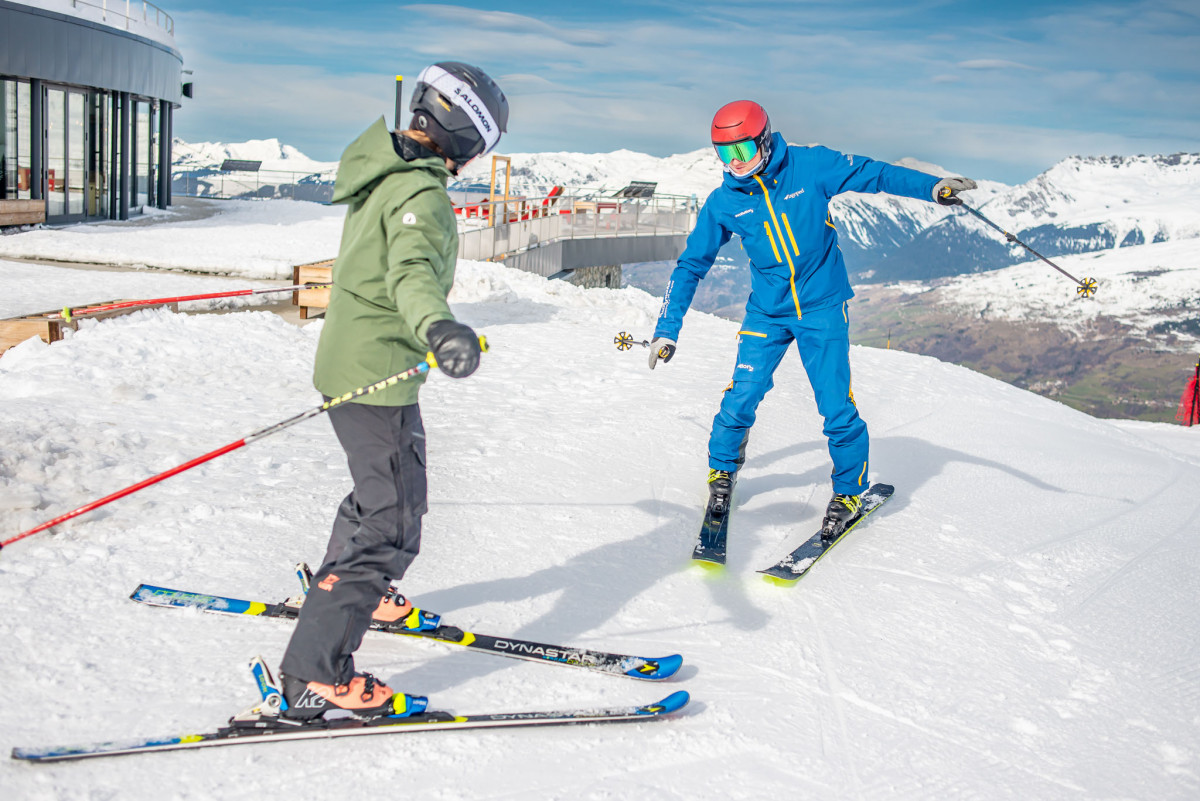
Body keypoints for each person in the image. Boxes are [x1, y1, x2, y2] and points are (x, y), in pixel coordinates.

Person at [278, 62, 509, 720]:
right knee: (392, 521)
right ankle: (315, 671)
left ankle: (354, 590)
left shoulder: (384, 170)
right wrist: (438, 326)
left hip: (352, 364)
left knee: (379, 497)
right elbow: (410, 273)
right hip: (376, 373)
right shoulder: (423, 196)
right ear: (467, 137)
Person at [648, 100, 974, 536]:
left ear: (764, 139)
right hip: (767, 312)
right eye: (726, 154)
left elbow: (874, 173)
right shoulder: (724, 202)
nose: (736, 162)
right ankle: (721, 473)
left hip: (822, 307)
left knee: (835, 405)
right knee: (742, 394)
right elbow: (691, 265)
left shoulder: (811, 166)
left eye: (743, 150)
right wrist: (666, 330)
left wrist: (932, 188)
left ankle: (849, 492)